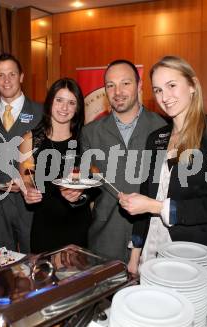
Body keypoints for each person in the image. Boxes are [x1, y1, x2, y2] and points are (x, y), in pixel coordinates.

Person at [119, 56, 207, 275]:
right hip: (153, 248)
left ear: (192, 85)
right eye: (157, 90)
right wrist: (134, 255)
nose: (164, 97)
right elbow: (147, 194)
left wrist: (154, 206)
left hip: (196, 254)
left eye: (171, 86)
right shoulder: (156, 138)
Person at [79, 59, 166, 262]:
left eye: (125, 83)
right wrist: (75, 195)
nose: (117, 91)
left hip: (151, 237)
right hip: (105, 237)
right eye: (111, 85)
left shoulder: (161, 128)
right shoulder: (91, 132)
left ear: (139, 85)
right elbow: (87, 184)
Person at [0, 53, 43, 253]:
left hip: (30, 202)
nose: (6, 80)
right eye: (1, 75)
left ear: (21, 76)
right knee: (0, 265)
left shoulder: (42, 112)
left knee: (33, 260)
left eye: (12, 74)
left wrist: (30, 182)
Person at [19, 78, 92, 253]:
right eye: (59, 100)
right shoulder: (30, 140)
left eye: (71, 102)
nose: (64, 108)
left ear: (78, 108)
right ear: (50, 101)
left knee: (78, 278)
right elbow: (26, 178)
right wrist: (28, 190)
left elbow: (93, 181)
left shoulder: (85, 139)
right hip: (45, 225)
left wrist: (81, 193)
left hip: (79, 225)